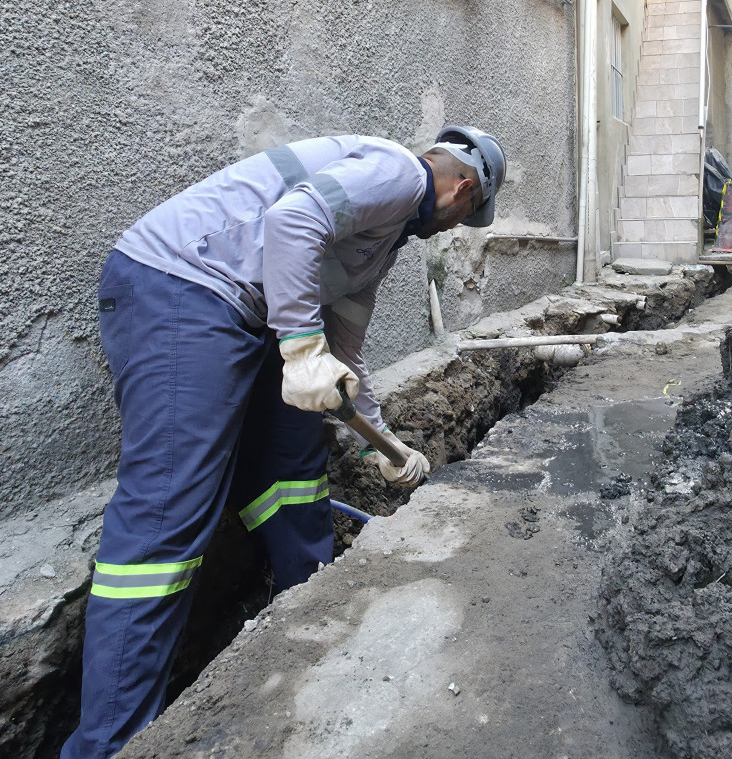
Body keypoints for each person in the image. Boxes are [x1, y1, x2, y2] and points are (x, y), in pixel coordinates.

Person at [61, 127, 506, 759]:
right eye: (467, 217)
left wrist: (381, 444)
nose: (456, 227)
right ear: (464, 188)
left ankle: (309, 605)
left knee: (295, 459)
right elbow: (293, 220)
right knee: (169, 511)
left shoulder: (379, 246)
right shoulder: (398, 174)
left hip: (243, 311)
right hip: (184, 288)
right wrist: (299, 347)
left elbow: (344, 353)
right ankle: (109, 743)